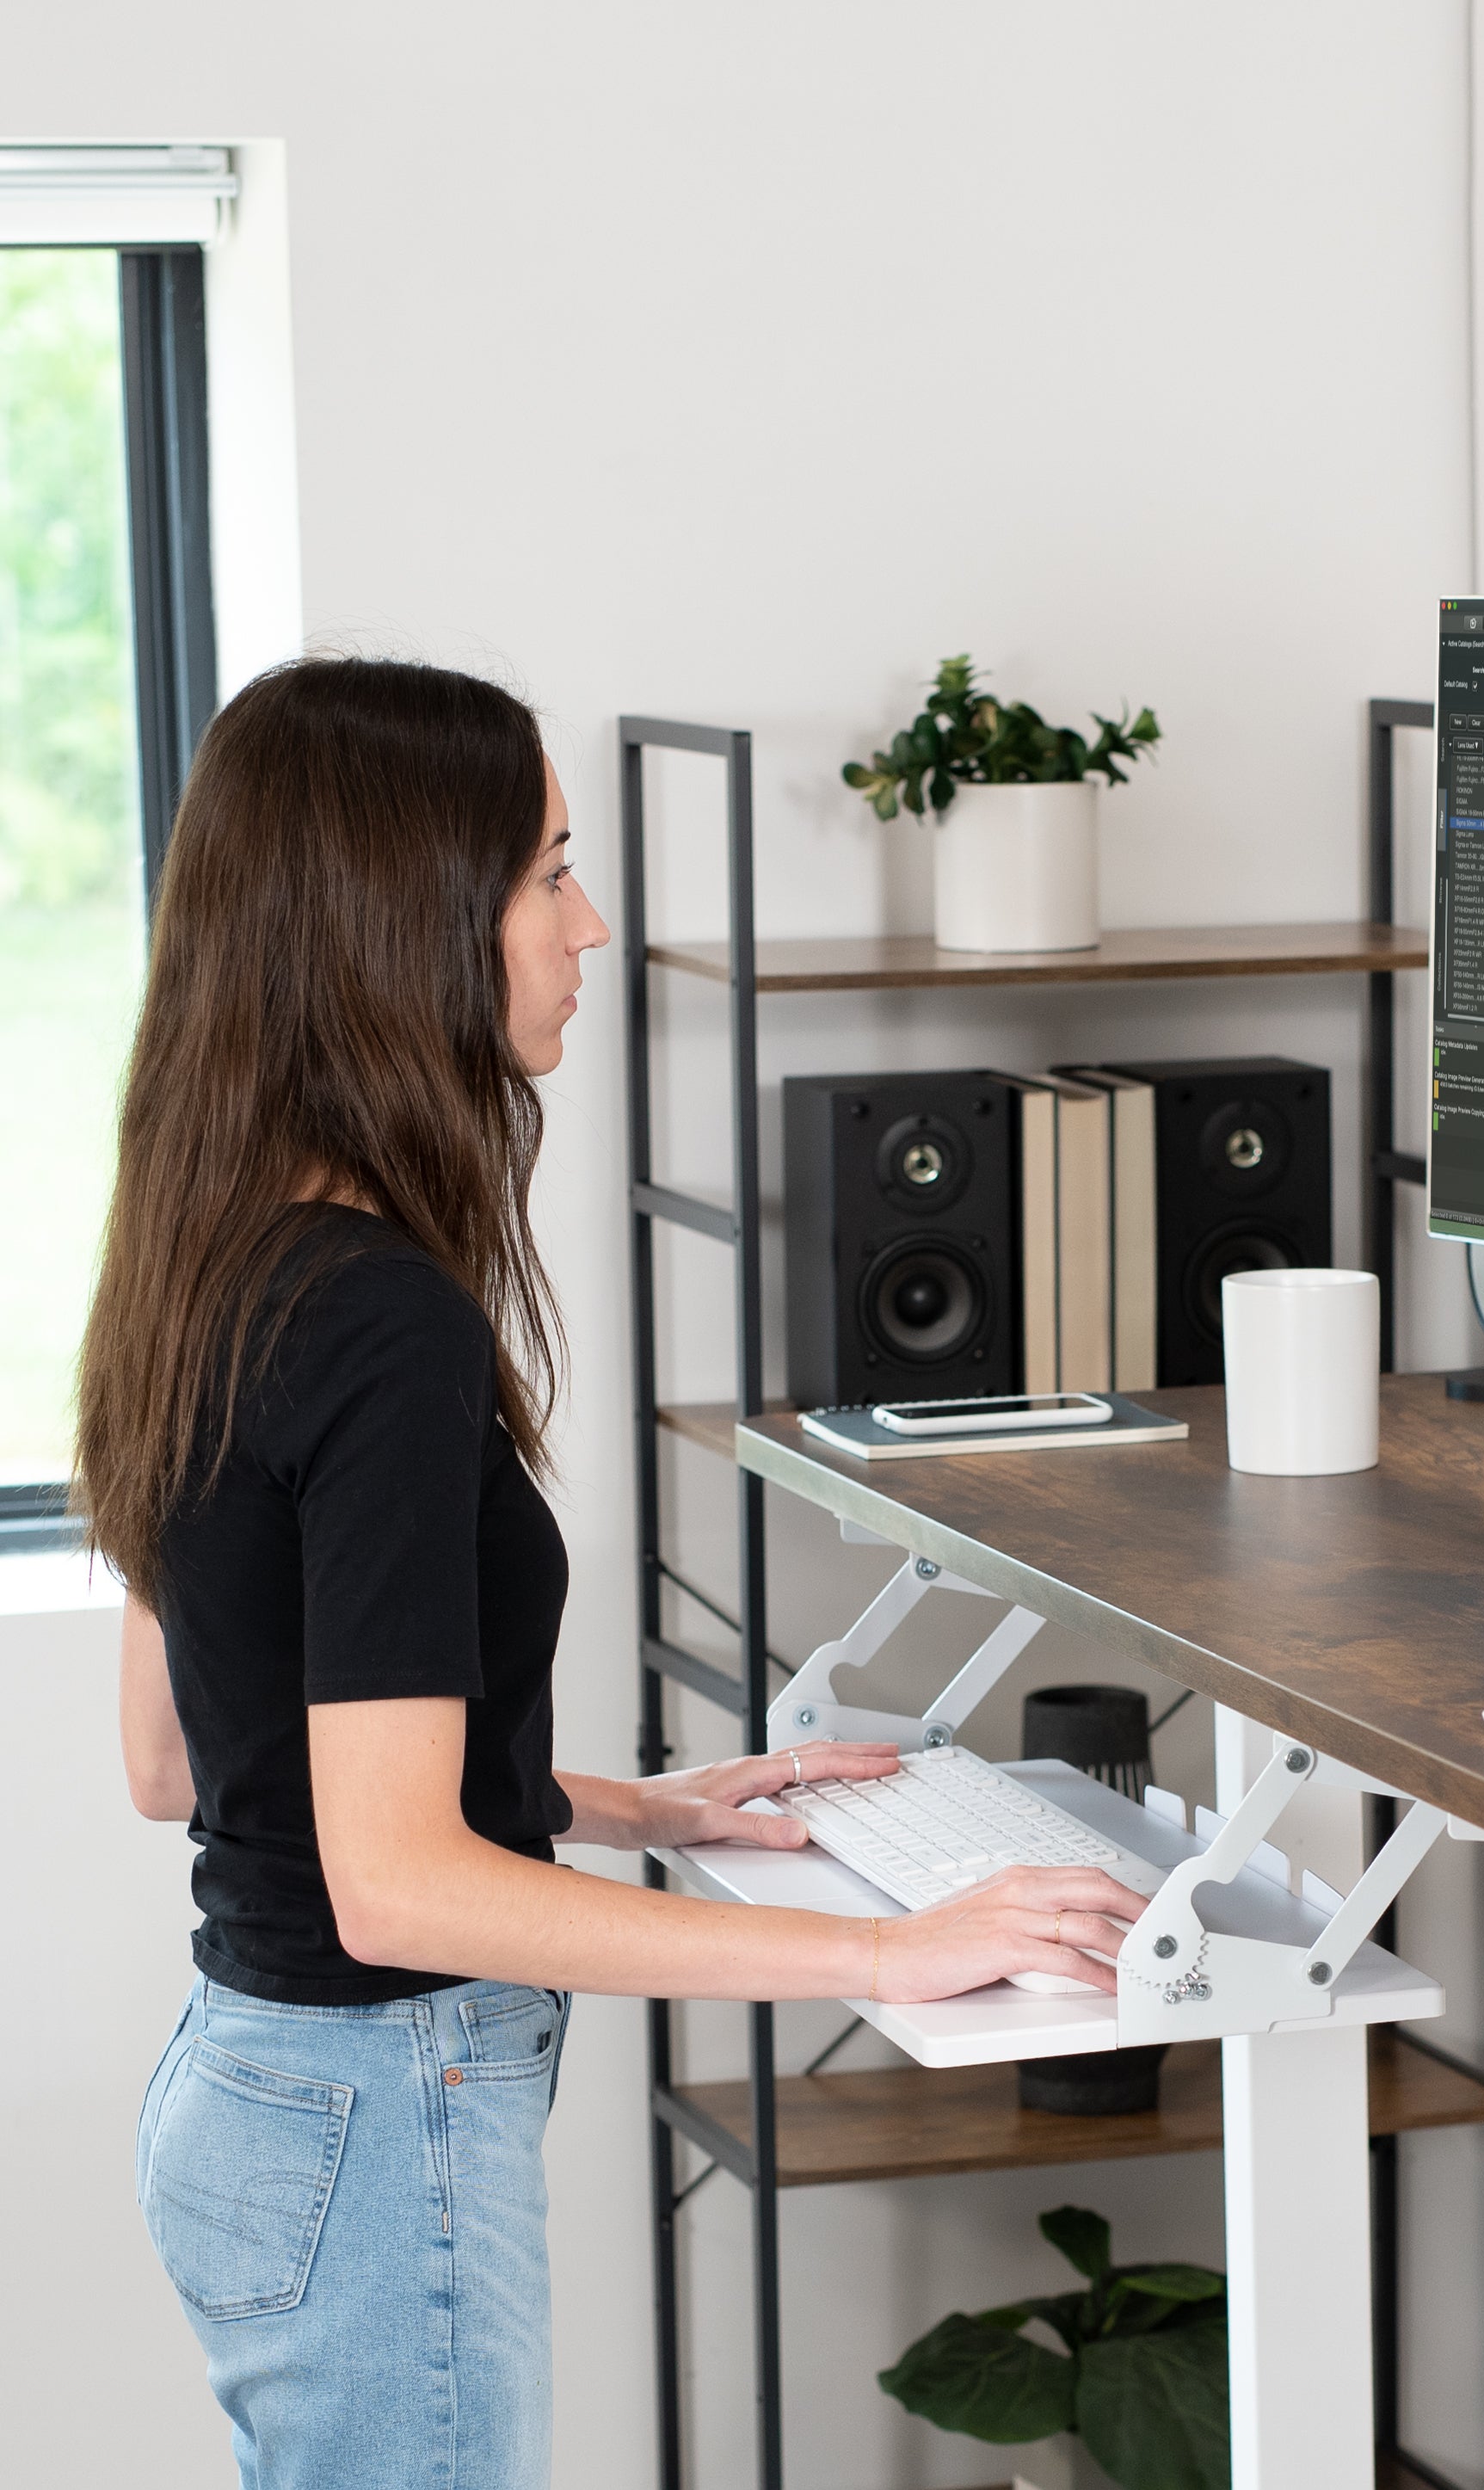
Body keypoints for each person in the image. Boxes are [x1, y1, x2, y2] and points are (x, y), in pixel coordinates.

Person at [78, 657, 1145, 2490]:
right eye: (548, 871)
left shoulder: (208, 1248)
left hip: (249, 2097)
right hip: (374, 2108)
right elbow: (396, 1882)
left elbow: (196, 1757)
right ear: (402, 925)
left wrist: (649, 1807)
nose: (591, 925)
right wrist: (889, 1947)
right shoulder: (380, 1324)